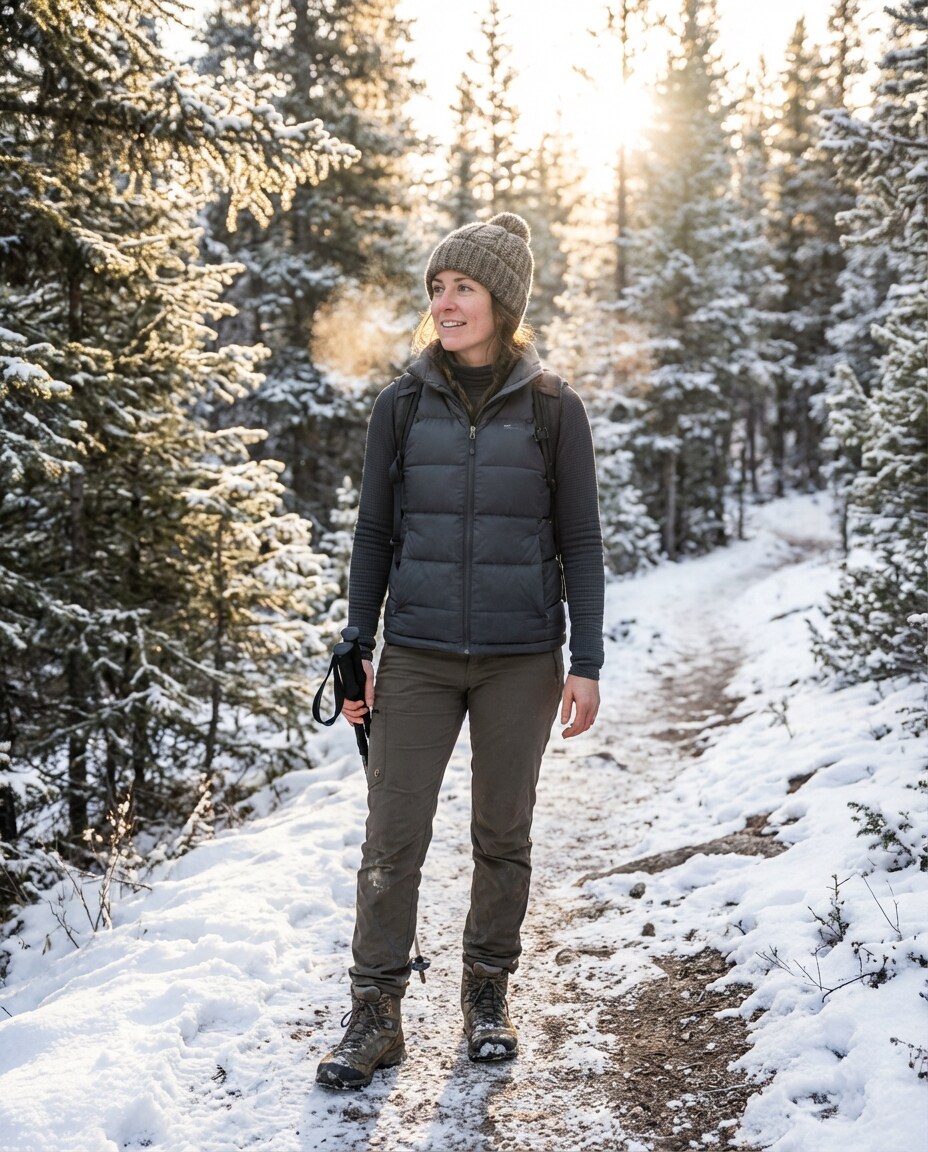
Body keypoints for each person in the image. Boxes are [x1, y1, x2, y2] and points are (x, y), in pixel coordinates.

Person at [316, 212, 604, 1090]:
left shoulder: (554, 407)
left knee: (501, 834)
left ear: (503, 303)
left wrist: (585, 660)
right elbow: (373, 534)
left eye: (463, 288)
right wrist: (356, 643)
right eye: (437, 287)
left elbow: (582, 540)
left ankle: (487, 993)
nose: (445, 303)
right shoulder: (400, 405)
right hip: (419, 654)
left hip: (523, 657)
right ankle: (375, 1013)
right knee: (390, 838)